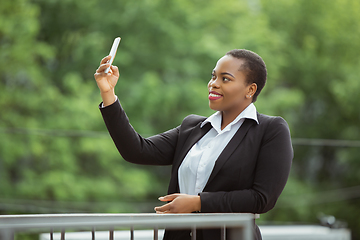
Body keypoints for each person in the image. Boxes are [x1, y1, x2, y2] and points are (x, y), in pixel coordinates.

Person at [94, 49, 293, 240]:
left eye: (225, 78)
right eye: (213, 76)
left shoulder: (270, 129)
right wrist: (108, 93)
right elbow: (137, 151)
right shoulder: (193, 127)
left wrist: (197, 202)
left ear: (250, 89)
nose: (213, 84)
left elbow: (261, 199)